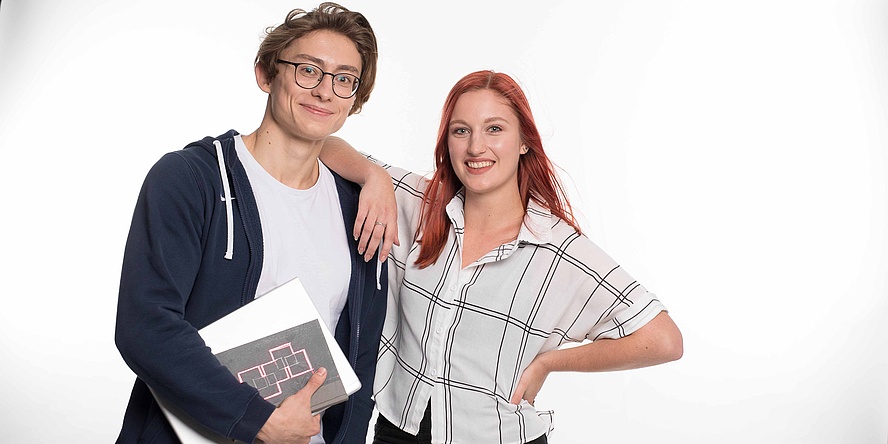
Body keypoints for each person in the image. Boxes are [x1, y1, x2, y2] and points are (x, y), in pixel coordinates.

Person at [319, 70, 684, 444]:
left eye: (494, 129)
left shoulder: (557, 250)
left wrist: (550, 362)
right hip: (398, 431)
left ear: (524, 140)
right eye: (461, 131)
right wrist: (374, 178)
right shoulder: (418, 205)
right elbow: (324, 145)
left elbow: (663, 340)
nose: (476, 147)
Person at [114, 4, 398, 443]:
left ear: (354, 100)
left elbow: (360, 355)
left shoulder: (360, 209)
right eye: (308, 70)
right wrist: (257, 420)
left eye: (344, 79)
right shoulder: (190, 179)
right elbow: (145, 327)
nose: (325, 91)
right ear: (266, 74)